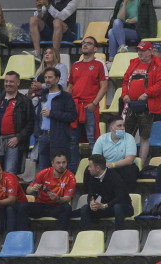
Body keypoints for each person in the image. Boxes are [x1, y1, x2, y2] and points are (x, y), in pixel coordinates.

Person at [67, 36, 109, 173]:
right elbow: (70, 86)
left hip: (89, 106)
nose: (85, 45)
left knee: (92, 139)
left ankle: (95, 169)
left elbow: (104, 86)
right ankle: (73, 170)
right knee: (72, 140)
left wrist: (94, 103)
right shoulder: (75, 65)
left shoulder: (99, 64)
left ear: (95, 49)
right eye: (84, 43)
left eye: (89, 43)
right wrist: (68, 104)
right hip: (75, 106)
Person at [122, 40, 161, 168]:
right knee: (126, 135)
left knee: (144, 137)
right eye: (139, 51)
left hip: (147, 106)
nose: (140, 53)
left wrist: (147, 93)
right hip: (131, 105)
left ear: (151, 51)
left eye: (143, 50)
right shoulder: (133, 63)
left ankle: (140, 163)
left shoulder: (158, 65)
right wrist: (124, 94)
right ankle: (127, 161)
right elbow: (125, 81)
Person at [0, 71, 35, 175]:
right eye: (6, 81)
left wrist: (18, 138)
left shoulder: (25, 101)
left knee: (10, 173)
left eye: (11, 81)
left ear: (18, 83)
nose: (8, 84)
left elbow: (31, 123)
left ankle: (10, 192)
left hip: (13, 142)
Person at [17, 150, 75, 231]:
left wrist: (58, 199)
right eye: (58, 163)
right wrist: (33, 188)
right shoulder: (44, 173)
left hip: (57, 206)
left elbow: (68, 198)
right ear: (52, 163)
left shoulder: (71, 177)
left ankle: (59, 235)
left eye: (64, 162)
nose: (61, 165)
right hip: (42, 205)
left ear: (67, 163)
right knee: (23, 207)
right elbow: (28, 191)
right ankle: (24, 234)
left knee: (67, 208)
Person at [34, 67, 77, 170]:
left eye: (50, 77)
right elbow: (37, 117)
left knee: (59, 170)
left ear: (57, 79)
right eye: (45, 77)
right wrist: (38, 134)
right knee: (43, 170)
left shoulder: (66, 97)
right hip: (43, 136)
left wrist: (52, 113)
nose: (47, 80)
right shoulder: (43, 95)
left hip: (59, 137)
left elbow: (72, 116)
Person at [78, 154, 134, 230]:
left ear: (97, 168)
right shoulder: (93, 177)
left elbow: (120, 198)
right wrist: (91, 203)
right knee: (85, 209)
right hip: (107, 207)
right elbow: (91, 194)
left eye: (90, 166)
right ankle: (87, 235)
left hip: (124, 207)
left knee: (117, 207)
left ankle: (119, 234)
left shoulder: (114, 176)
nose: (88, 169)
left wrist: (104, 206)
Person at [90, 116, 139, 193]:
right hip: (106, 168)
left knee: (130, 169)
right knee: (89, 170)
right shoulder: (102, 139)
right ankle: (91, 199)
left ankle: (128, 197)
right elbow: (95, 159)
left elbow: (129, 160)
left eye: (123, 125)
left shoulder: (129, 138)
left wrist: (112, 165)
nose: (123, 128)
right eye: (119, 126)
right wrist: (105, 166)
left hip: (124, 166)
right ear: (111, 128)